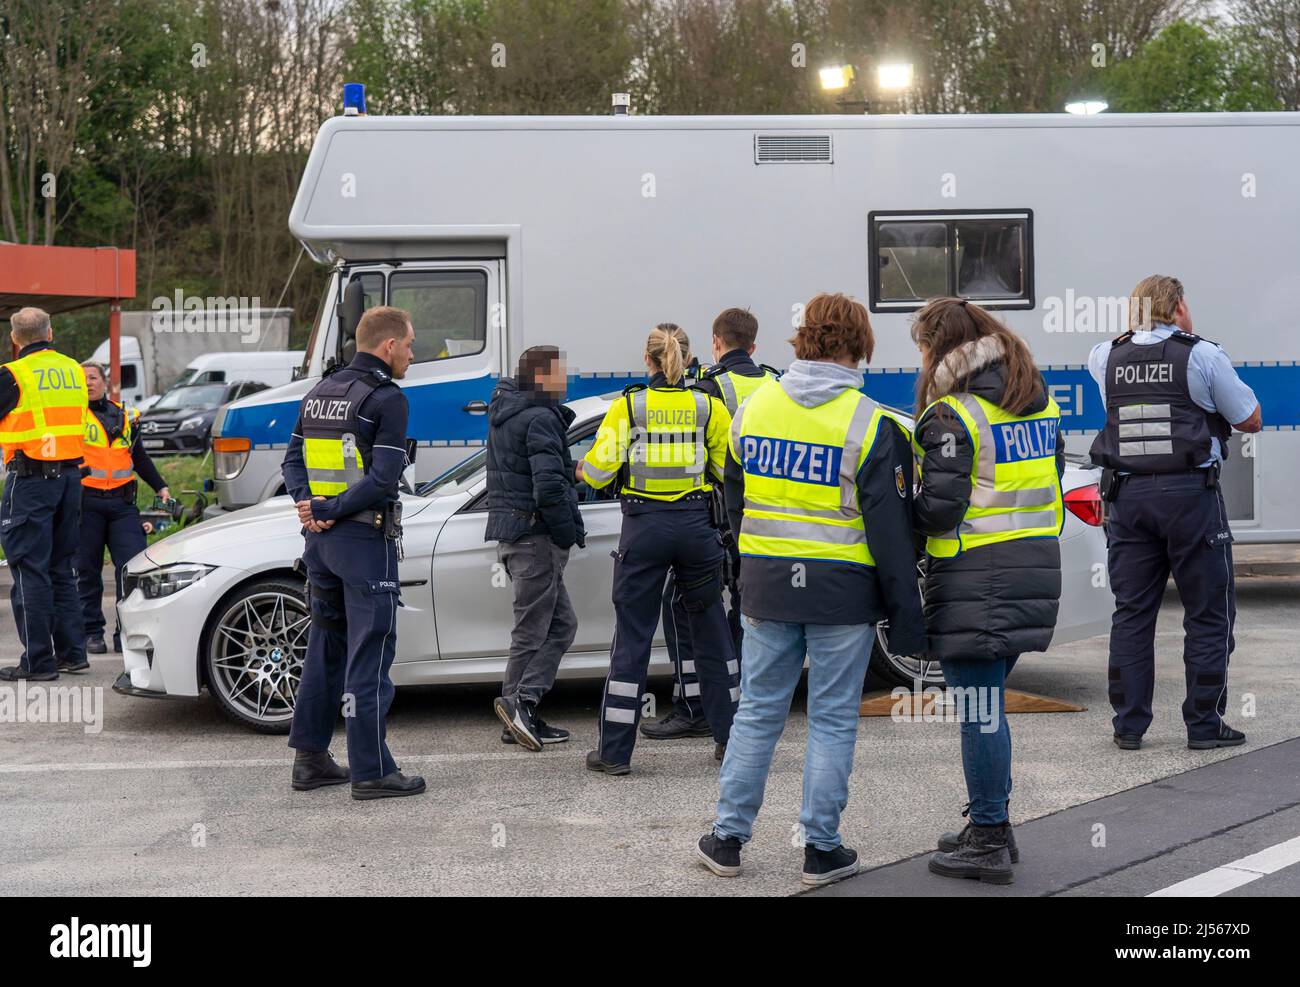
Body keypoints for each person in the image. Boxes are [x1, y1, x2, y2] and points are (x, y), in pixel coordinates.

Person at [696, 292, 924, 887]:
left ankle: (726, 838)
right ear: (859, 346)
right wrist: (908, 617)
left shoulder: (755, 408)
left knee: (758, 713)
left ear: (802, 341)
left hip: (767, 586)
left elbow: (736, 501)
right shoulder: (869, 422)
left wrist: (748, 567)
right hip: (841, 594)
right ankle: (820, 848)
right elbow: (892, 537)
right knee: (830, 719)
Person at [908, 298, 1064, 886]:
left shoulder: (951, 416)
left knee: (979, 709)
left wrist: (904, 511)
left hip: (977, 577)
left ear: (939, 347)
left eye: (922, 347)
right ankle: (988, 822)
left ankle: (991, 838)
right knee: (989, 702)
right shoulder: (1034, 401)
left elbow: (941, 509)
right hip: (1032, 569)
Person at [1088, 275, 1261, 752]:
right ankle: (1204, 724)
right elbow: (1251, 418)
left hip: (1127, 500)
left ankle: (1128, 726)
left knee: (1132, 614)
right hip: (1191, 498)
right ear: (1179, 306)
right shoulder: (1202, 355)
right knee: (1207, 613)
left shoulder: (1104, 356)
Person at [578, 324, 738, 774]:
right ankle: (731, 744)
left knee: (632, 638)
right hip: (696, 530)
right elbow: (729, 469)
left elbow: (596, 473)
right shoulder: (708, 406)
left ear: (647, 361)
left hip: (643, 531)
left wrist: (579, 466)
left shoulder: (629, 407)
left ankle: (614, 754)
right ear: (687, 361)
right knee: (712, 635)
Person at [281, 305, 426, 800]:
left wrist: (312, 508)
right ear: (388, 346)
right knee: (370, 652)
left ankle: (311, 759)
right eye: (409, 344)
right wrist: (332, 508)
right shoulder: (387, 398)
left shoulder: (320, 392)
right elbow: (382, 480)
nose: (412, 352)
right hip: (364, 542)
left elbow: (291, 459)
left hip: (321, 544)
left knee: (326, 649)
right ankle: (371, 771)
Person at [642, 308, 778, 742]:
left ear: (716, 343)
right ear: (753, 346)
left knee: (682, 606)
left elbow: (703, 460)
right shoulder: (776, 382)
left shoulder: (709, 387)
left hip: (720, 518)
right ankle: (745, 707)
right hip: (771, 518)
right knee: (747, 614)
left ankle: (696, 705)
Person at [485, 345, 584, 750]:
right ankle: (520, 705)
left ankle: (519, 715)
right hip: (536, 536)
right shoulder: (541, 417)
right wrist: (564, 532)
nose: (566, 379)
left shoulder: (505, 412)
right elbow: (549, 487)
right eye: (560, 373)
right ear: (542, 376)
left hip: (515, 535)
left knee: (559, 626)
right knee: (534, 631)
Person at [0, 307, 89, 681]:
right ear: (50, 333)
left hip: (31, 480)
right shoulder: (73, 369)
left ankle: (39, 662)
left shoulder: (12, 374)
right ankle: (73, 653)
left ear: (14, 339)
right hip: (70, 479)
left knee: (28, 569)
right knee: (61, 567)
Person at [78, 361, 170, 656]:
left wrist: (160, 486)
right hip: (85, 503)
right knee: (87, 571)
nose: (88, 383)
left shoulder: (126, 416)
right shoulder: (71, 417)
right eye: (83, 379)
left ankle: (126, 631)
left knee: (131, 569)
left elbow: (139, 457)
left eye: (92, 377)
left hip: (122, 505)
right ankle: (92, 632)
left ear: (104, 382)